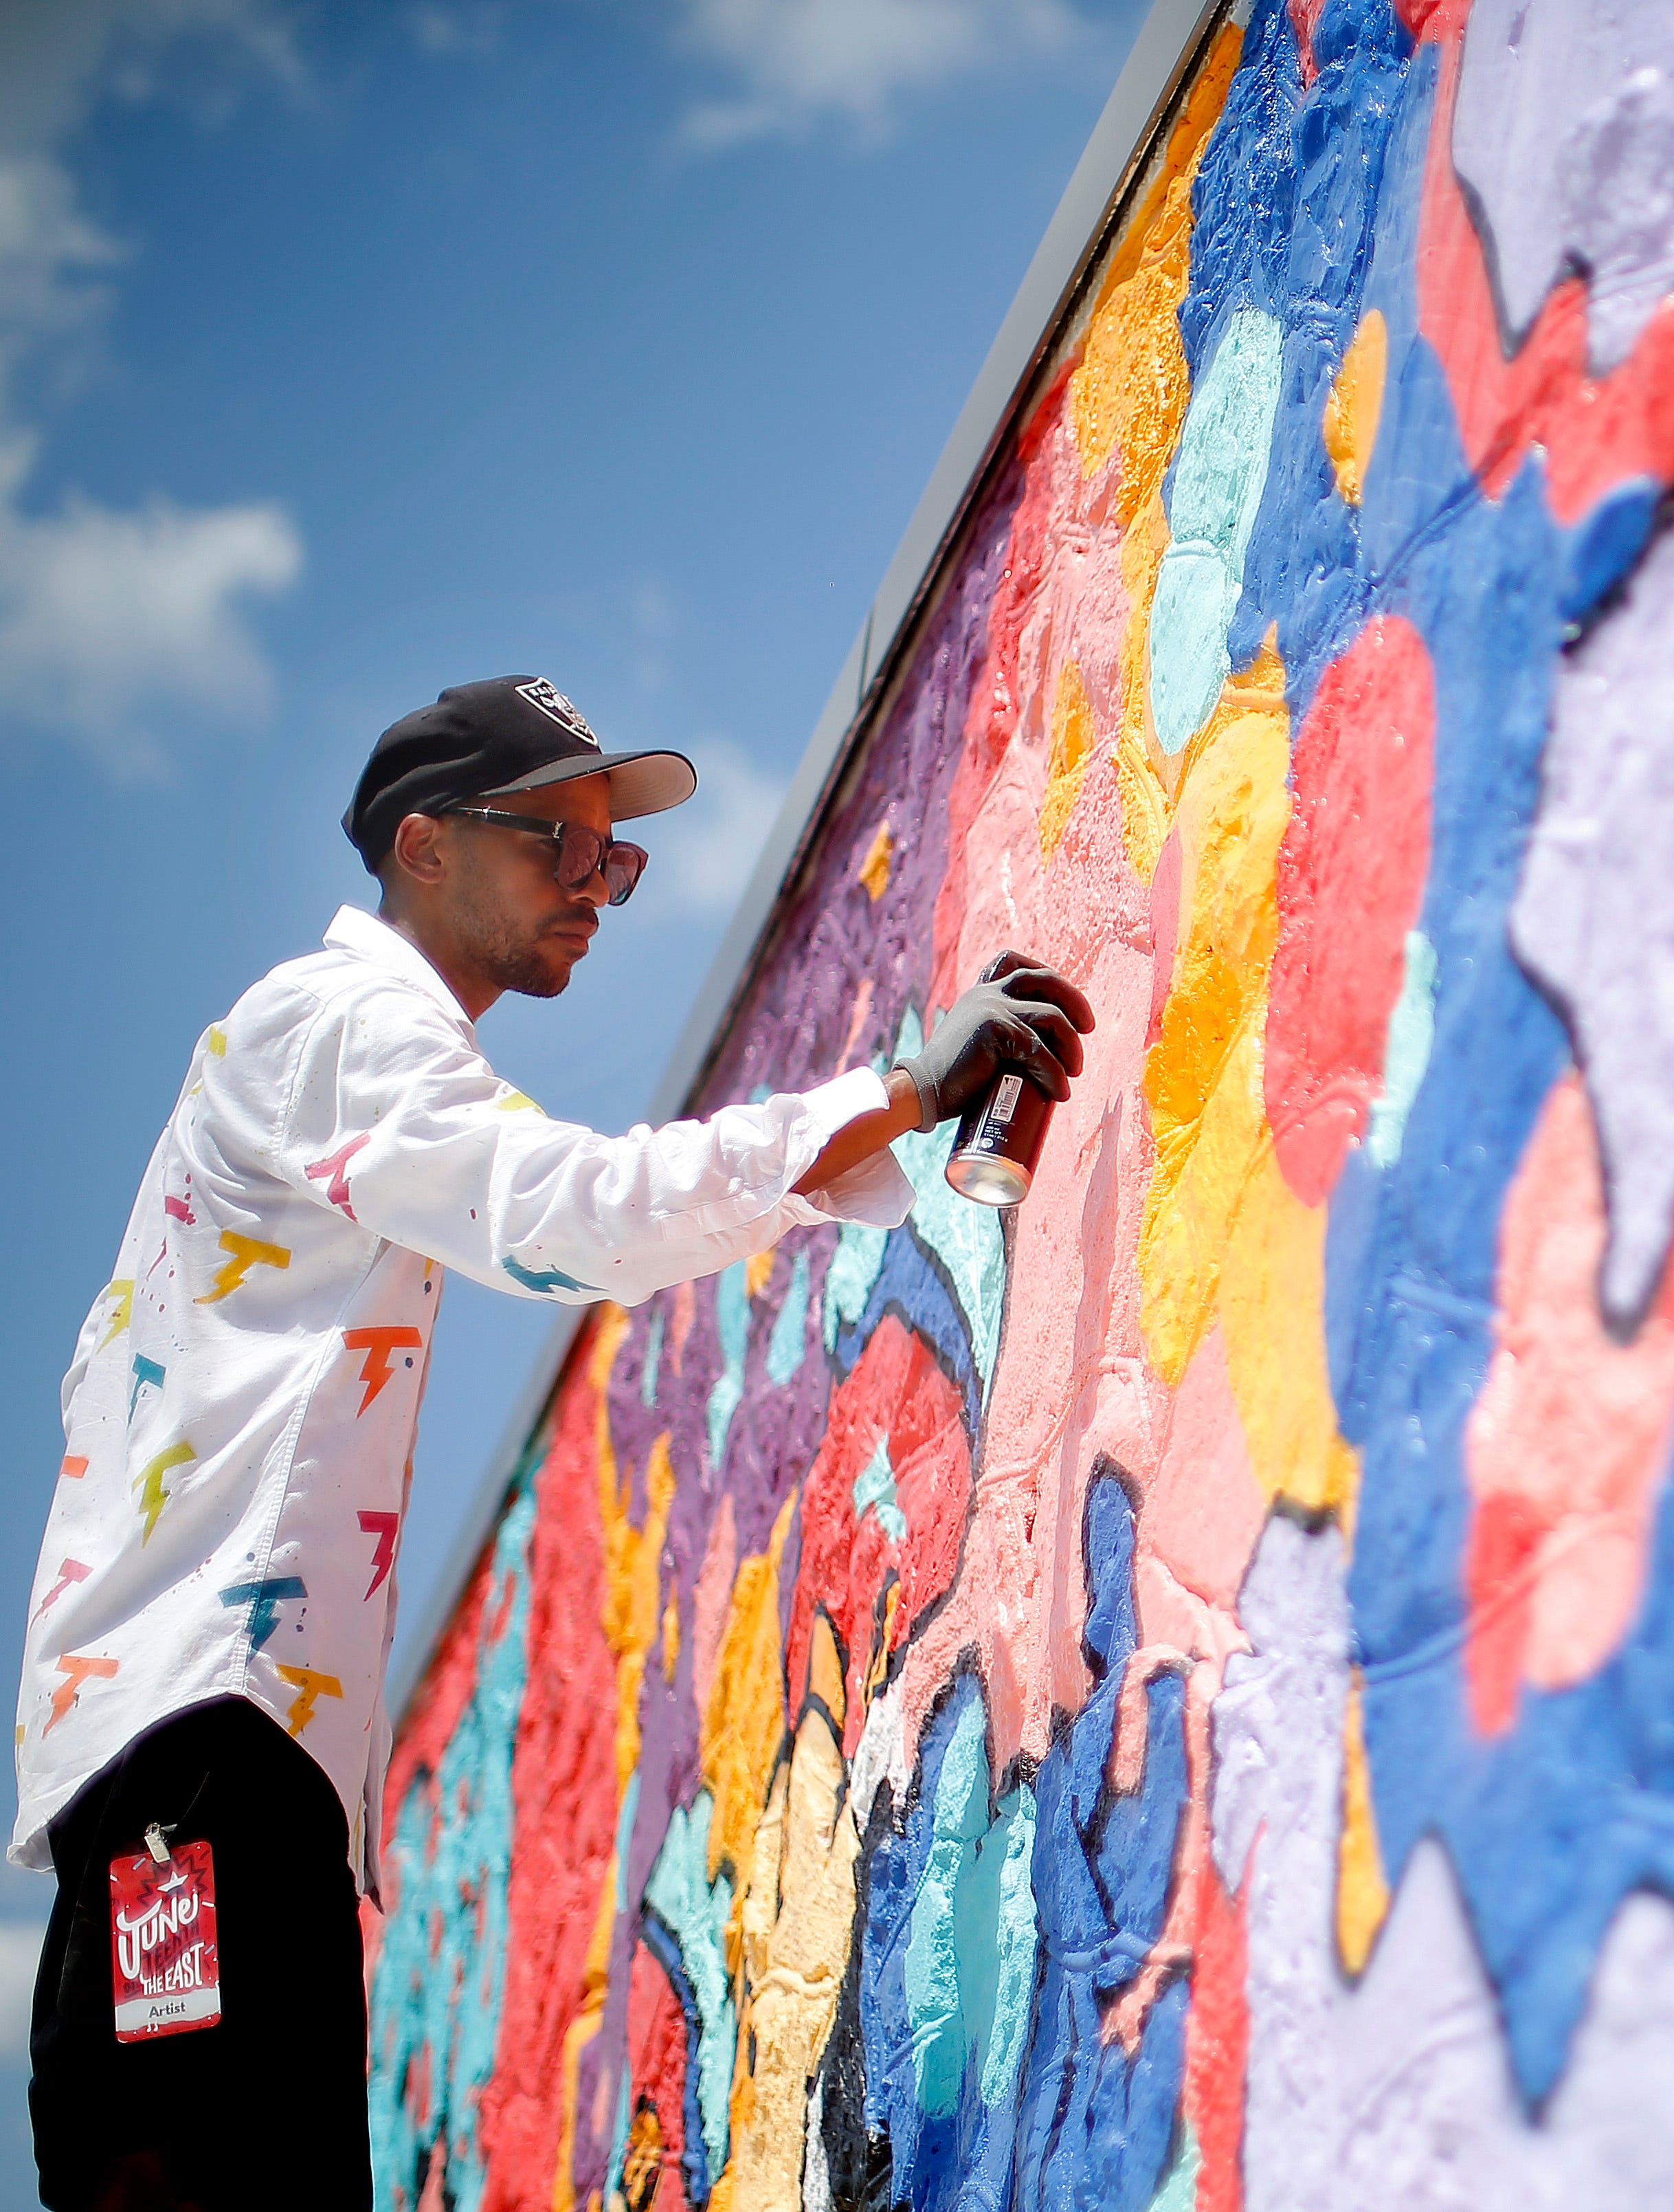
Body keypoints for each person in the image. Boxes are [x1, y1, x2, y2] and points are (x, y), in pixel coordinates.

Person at [10, 676, 1091, 2210]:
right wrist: (904, 1091)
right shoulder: (342, 1023)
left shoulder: (338, 1052)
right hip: (200, 1748)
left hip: (231, 1753)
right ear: (424, 844)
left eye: (615, 860)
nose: (598, 886)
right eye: (559, 846)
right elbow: (570, 1212)